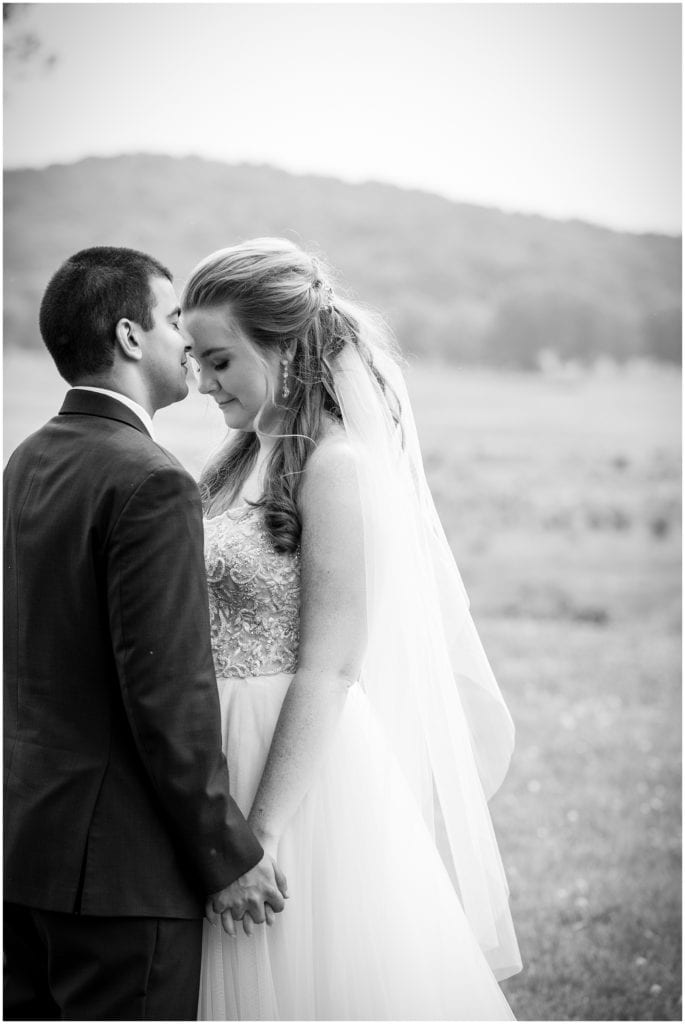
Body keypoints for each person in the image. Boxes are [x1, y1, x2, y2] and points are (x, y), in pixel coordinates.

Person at [181, 237, 523, 1020]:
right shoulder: (236, 459)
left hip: (292, 773)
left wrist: (258, 837)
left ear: (286, 348)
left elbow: (330, 667)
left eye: (221, 360)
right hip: (219, 749)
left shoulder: (336, 468)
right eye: (195, 358)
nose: (202, 381)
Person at [3, 246, 287, 1021]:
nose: (187, 345)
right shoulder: (152, 480)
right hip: (121, 876)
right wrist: (226, 857)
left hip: (26, 850)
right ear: (130, 338)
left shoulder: (26, 461)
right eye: (171, 323)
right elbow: (166, 694)